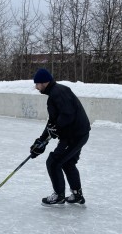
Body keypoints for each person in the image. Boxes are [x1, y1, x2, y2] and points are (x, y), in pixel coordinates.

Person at [30, 68, 91, 207]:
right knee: (68, 163)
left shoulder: (58, 93)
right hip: (77, 134)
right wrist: (41, 140)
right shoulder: (56, 92)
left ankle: (59, 195)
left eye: (37, 84)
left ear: (44, 82)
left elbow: (67, 115)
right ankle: (76, 194)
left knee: (54, 162)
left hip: (74, 135)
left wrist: (56, 129)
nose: (36, 87)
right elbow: (53, 121)